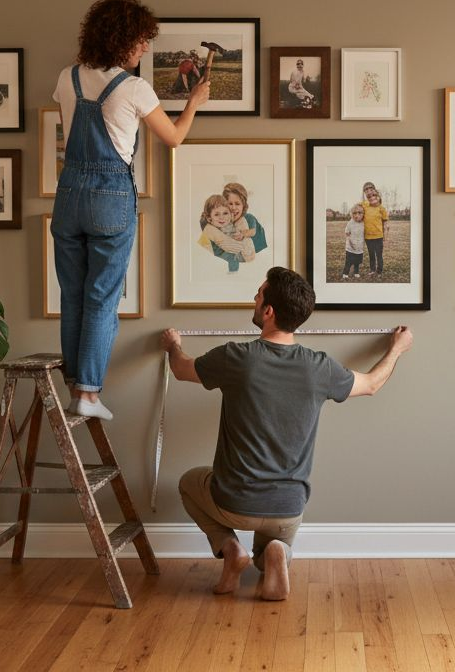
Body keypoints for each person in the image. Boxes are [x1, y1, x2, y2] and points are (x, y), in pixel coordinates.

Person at [160, 267, 413, 601]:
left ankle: (231, 548)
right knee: (274, 543)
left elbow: (180, 370)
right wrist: (397, 349)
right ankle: (277, 552)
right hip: (288, 507)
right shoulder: (319, 366)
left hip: (234, 501)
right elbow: (370, 384)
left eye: (259, 293)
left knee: (188, 482)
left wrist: (173, 345)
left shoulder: (237, 357)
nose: (254, 297)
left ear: (268, 311)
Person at [52, 0, 211, 420]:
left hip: (68, 197)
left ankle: (75, 386)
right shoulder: (135, 88)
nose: (144, 49)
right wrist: (193, 102)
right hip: (110, 197)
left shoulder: (66, 79)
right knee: (102, 298)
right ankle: (87, 393)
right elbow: (174, 137)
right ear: (122, 40)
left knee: (73, 296)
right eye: (141, 41)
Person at [199, 193, 253, 272]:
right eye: (217, 214)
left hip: (239, 252)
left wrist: (239, 236)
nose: (222, 217)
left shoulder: (231, 225)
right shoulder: (210, 229)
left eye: (225, 213)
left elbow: (238, 239)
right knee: (232, 258)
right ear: (209, 218)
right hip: (220, 254)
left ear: (231, 215)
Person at [360, 182, 388, 275]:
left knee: (379, 255)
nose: (369, 192)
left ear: (375, 193)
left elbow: (385, 222)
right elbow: (355, 211)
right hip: (368, 236)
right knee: (371, 254)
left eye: (371, 190)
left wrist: (385, 236)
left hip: (378, 236)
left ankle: (379, 271)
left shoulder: (381, 208)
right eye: (366, 190)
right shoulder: (363, 205)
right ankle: (372, 270)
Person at [341, 204, 365, 279]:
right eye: (354, 213)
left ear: (363, 214)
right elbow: (347, 233)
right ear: (352, 214)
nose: (357, 215)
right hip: (350, 247)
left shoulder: (363, 223)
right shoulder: (350, 223)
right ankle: (345, 273)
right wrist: (350, 242)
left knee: (357, 261)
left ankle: (356, 272)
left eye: (359, 213)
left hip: (359, 247)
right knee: (348, 261)